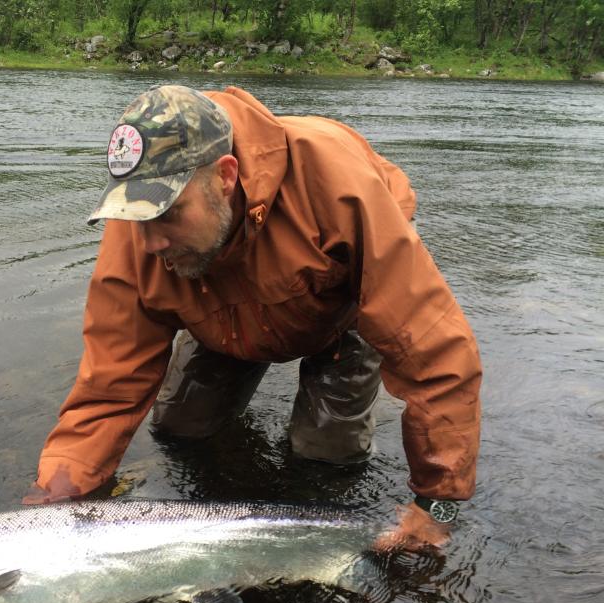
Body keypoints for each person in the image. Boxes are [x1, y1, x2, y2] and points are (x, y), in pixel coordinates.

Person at [23, 85, 482, 550]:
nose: (150, 243)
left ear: (224, 176)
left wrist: (437, 507)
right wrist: (54, 503)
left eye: (168, 213)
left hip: (341, 315)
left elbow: (435, 358)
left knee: (325, 454)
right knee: (179, 429)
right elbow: (108, 388)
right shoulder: (141, 237)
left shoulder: (341, 190)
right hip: (225, 319)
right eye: (135, 218)